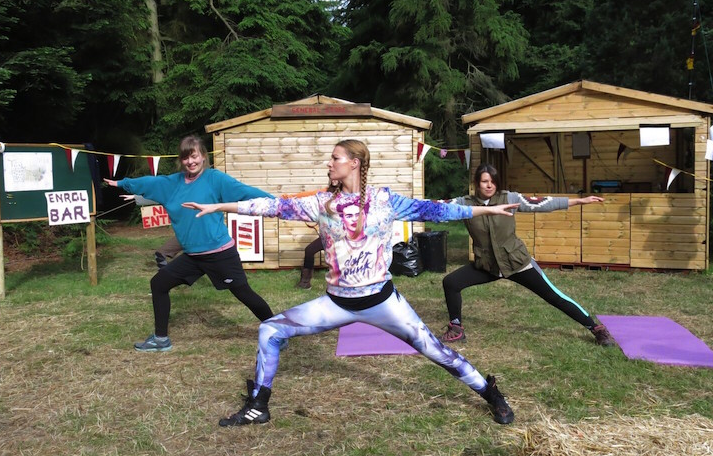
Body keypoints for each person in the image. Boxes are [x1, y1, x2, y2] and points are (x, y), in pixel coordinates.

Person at [183, 139, 521, 426]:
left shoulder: (385, 201)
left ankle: (490, 392)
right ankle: (258, 406)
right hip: (336, 304)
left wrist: (487, 211)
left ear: (354, 164)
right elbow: (271, 206)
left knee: (435, 350)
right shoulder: (321, 204)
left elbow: (435, 210)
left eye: (335, 158)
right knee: (270, 330)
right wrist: (218, 206)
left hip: (383, 303)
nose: (329, 163)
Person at [104, 135, 276, 352]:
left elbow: (245, 192)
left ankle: (277, 332)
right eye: (186, 158)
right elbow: (149, 183)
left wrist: (276, 202)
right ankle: (160, 339)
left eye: (194, 156)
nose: (190, 162)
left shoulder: (214, 179)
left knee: (243, 293)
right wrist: (122, 183)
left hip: (219, 253)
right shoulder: (173, 184)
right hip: (193, 256)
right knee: (158, 284)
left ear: (203, 156)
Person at [440, 163, 615, 347]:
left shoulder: (509, 198)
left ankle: (596, 329)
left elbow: (541, 203)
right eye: (485, 181)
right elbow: (435, 207)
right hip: (487, 265)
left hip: (517, 263)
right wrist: (408, 206)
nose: (489, 185)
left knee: (553, 296)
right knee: (451, 282)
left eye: (493, 181)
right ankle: (456, 329)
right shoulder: (464, 204)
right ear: (477, 183)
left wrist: (578, 201)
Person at [295, 177, 339, 289]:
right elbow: (306, 196)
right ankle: (305, 283)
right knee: (309, 250)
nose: (333, 179)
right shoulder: (324, 193)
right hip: (327, 235)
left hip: (342, 236)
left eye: (336, 178)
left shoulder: (346, 193)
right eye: (331, 177)